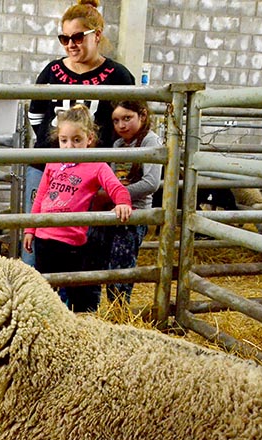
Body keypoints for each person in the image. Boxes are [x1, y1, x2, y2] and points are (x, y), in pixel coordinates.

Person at [24, 0, 135, 267]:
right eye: (64, 38)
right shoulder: (52, 71)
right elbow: (35, 113)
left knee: (87, 239)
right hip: (46, 165)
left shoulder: (118, 76)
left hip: (92, 172)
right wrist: (53, 141)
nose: (71, 44)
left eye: (77, 37)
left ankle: (79, 301)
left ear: (96, 36)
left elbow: (127, 118)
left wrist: (105, 150)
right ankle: (32, 296)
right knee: (37, 231)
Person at [23, 104, 132, 313]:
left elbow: (116, 187)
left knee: (77, 293)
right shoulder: (53, 162)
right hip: (44, 237)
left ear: (89, 139)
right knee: (46, 291)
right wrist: (30, 229)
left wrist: (123, 203)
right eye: (64, 141)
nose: (69, 147)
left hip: (71, 241)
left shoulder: (96, 165)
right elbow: (40, 198)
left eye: (76, 140)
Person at [90, 100, 162, 305]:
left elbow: (151, 183)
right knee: (99, 258)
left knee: (122, 263)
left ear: (143, 116)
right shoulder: (118, 145)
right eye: (116, 120)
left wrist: (113, 194)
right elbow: (111, 178)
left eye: (127, 118)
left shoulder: (151, 141)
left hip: (134, 213)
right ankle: (92, 309)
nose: (121, 125)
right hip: (112, 211)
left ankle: (119, 311)